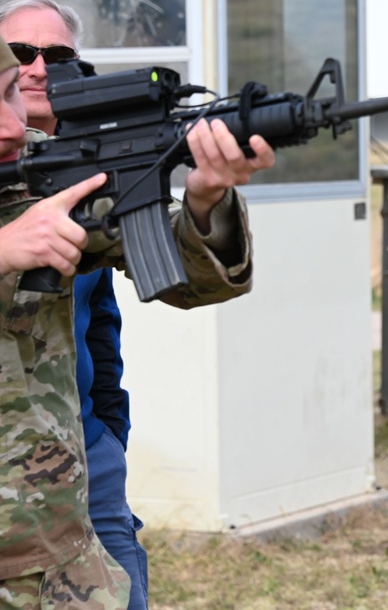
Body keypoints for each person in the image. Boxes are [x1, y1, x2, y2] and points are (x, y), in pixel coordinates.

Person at [0, 35, 275, 608]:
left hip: (54, 545)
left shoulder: (31, 171)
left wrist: (204, 198)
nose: (9, 125)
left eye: (9, 95)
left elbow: (179, 274)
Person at [0, 0, 146, 609]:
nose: (37, 68)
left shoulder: (79, 170)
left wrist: (109, 430)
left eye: (54, 54)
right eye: (20, 57)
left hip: (81, 451)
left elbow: (100, 326)